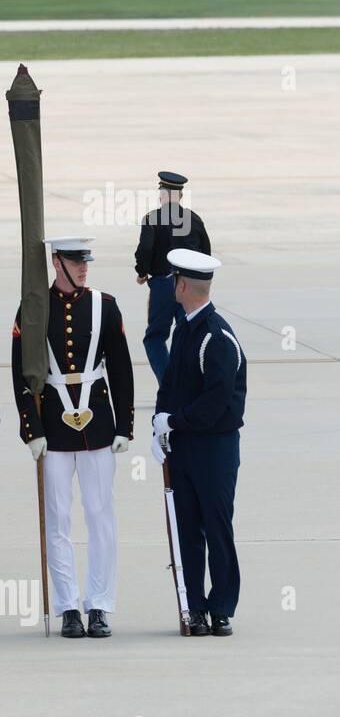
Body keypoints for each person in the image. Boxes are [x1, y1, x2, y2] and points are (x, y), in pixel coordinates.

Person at [12, 238, 134, 639]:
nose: (83, 268)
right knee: (58, 520)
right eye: (75, 261)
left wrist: (123, 426)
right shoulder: (33, 310)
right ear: (55, 262)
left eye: (85, 261)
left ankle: (99, 604)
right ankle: (68, 606)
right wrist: (31, 430)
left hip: (97, 423)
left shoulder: (105, 304)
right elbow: (22, 374)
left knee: (101, 517)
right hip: (54, 426)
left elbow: (120, 368)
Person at [152, 250, 246, 638]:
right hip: (185, 446)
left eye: (174, 280)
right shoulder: (186, 329)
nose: (172, 285)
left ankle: (221, 608)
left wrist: (174, 421)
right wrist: (158, 425)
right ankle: (194, 607)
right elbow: (171, 384)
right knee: (187, 529)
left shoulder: (216, 336)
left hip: (214, 448)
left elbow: (216, 400)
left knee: (216, 527)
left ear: (184, 285)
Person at [134, 171, 211, 380]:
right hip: (190, 285)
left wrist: (142, 272)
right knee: (187, 334)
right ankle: (190, 383)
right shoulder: (194, 220)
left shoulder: (152, 219)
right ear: (181, 196)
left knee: (155, 337)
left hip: (164, 285)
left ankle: (169, 385)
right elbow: (206, 253)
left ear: (162, 195)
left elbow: (145, 250)